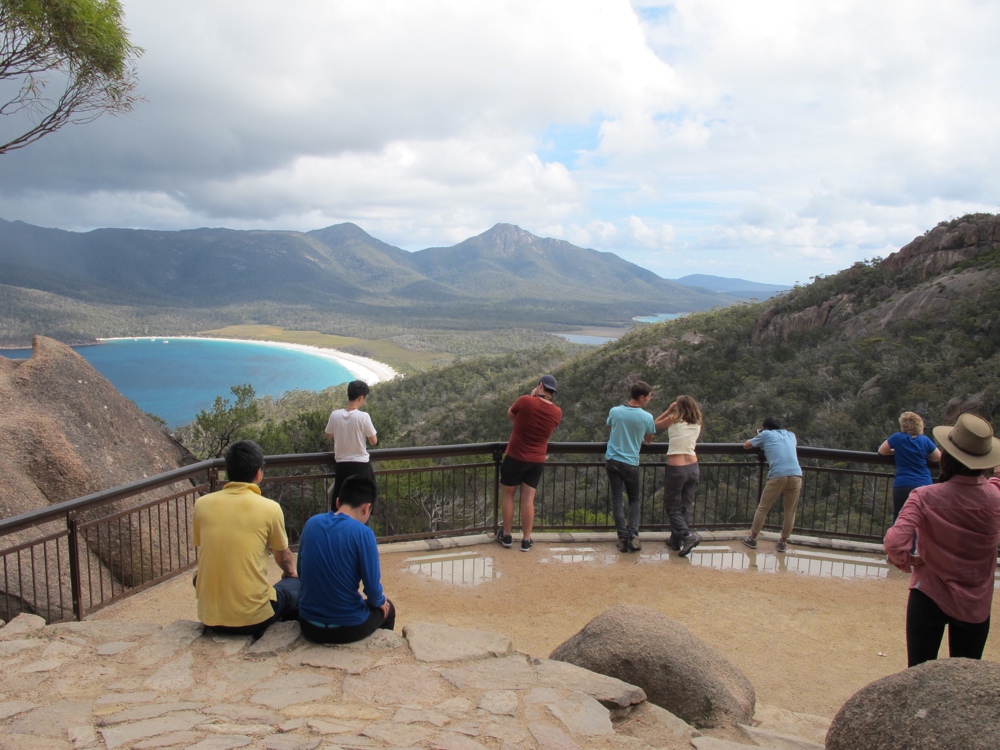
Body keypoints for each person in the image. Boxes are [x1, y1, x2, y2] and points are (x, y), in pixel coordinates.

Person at [884, 413, 1000, 667]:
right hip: (976, 601)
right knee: (963, 679)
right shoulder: (995, 498)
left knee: (918, 673)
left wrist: (907, 560)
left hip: (928, 593)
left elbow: (894, 542)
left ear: (946, 455)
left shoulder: (925, 496)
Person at [192, 440, 299, 637]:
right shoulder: (269, 508)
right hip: (253, 619)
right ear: (258, 473)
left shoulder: (202, 504)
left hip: (209, 617)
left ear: (228, 471)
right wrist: (291, 573)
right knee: (295, 587)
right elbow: (283, 557)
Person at [297, 474, 396, 644]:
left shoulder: (311, 523)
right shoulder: (364, 534)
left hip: (308, 625)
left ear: (337, 502)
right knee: (389, 609)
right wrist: (380, 601)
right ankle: (381, 646)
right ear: (367, 508)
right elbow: (372, 589)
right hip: (346, 629)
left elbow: (300, 571)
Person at [496, 374, 563, 552]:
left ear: (540, 385)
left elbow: (509, 414)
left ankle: (507, 536)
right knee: (528, 500)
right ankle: (526, 540)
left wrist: (532, 396)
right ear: (553, 392)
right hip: (537, 460)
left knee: (508, 496)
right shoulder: (557, 412)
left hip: (515, 456)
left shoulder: (526, 401)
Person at [605, 381, 658, 552]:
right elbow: (648, 440)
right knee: (634, 499)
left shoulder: (615, 411)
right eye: (649, 396)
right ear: (641, 397)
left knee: (617, 500)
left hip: (613, 460)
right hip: (630, 462)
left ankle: (622, 537)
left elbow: (610, 424)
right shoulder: (647, 417)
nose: (650, 399)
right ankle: (633, 535)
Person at [742, 417, 802, 553]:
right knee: (790, 511)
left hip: (778, 475)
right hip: (796, 474)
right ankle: (783, 542)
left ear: (765, 428)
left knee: (763, 508)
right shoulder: (791, 435)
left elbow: (746, 445)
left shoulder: (765, 434)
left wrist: (760, 435)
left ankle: (752, 538)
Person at [656, 395, 703, 557]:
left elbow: (652, 426)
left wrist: (668, 410)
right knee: (685, 506)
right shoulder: (697, 422)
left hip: (677, 469)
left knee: (672, 507)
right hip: (693, 468)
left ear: (679, 407)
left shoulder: (674, 419)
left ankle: (687, 536)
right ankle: (675, 541)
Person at [878, 411, 941, 522]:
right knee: (921, 521)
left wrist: (897, 452)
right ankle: (917, 540)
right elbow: (937, 457)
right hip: (923, 484)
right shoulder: (924, 440)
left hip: (903, 483)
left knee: (899, 518)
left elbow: (882, 451)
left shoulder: (897, 438)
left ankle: (898, 540)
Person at [325, 379, 378, 508]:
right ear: (361, 397)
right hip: (361, 467)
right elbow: (373, 441)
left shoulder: (335, 415)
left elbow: (328, 435)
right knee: (363, 504)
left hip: (343, 467)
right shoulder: (363, 416)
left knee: (342, 504)